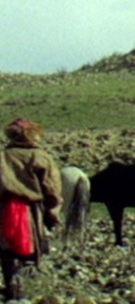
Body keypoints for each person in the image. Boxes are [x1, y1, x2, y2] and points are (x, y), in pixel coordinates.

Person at [0, 118, 62, 301]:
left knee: (7, 251)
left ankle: (12, 285)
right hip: (31, 212)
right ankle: (23, 290)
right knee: (30, 248)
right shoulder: (40, 157)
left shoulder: (3, 156)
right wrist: (53, 212)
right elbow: (52, 189)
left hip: (4, 210)